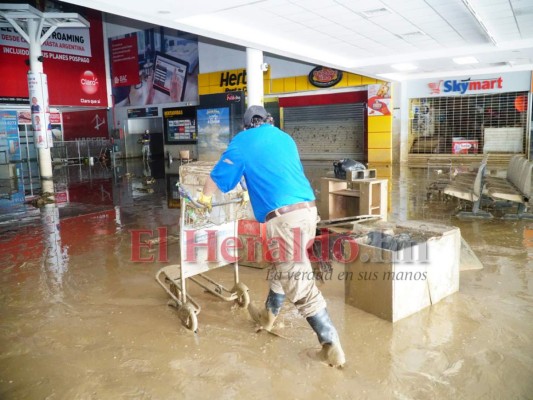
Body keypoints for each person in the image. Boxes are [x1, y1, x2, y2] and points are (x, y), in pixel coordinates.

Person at [197, 105, 346, 367]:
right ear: (268, 121)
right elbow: (271, 172)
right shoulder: (284, 138)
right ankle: (268, 316)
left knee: (300, 286)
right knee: (283, 267)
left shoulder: (242, 140)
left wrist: (204, 198)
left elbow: (218, 179)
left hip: (284, 221)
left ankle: (331, 347)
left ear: (246, 126)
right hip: (308, 214)